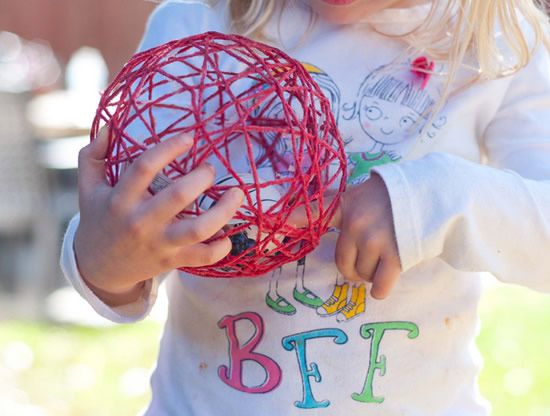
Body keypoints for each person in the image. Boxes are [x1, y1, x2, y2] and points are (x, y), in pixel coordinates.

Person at [61, 0, 550, 414]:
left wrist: (430, 200)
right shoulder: (202, 20)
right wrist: (106, 261)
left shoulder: (502, 43)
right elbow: (125, 230)